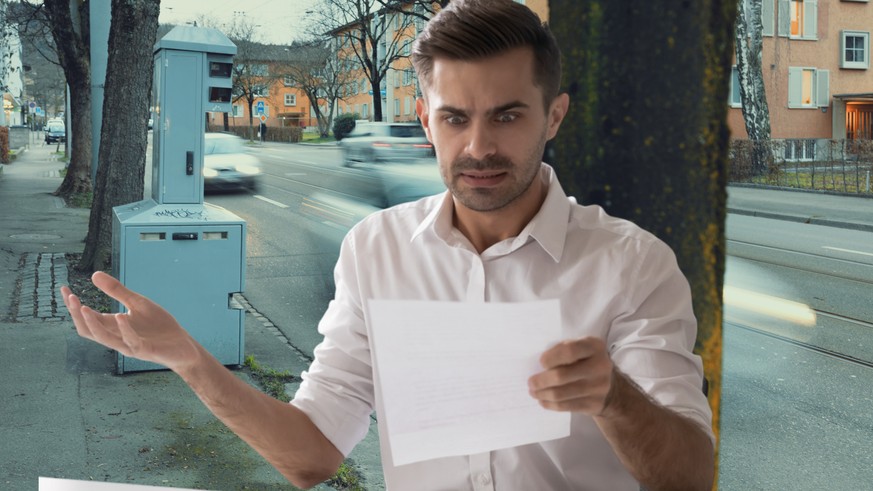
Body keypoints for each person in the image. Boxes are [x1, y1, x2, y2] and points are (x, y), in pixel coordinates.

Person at [61, 1, 715, 489]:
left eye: (507, 114)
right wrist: (187, 356)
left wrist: (614, 397)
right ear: (427, 122)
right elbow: (311, 454)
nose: (479, 146)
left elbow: (689, 475)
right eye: (455, 118)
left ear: (554, 115)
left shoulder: (632, 264)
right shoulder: (377, 249)